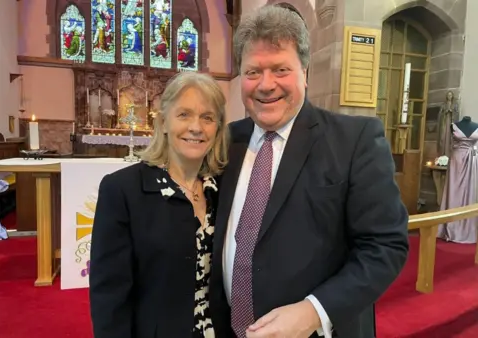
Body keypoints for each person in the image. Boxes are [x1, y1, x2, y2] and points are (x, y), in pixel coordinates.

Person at [209, 5, 409, 338]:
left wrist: (315, 311)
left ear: (305, 71)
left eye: (280, 69)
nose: (265, 84)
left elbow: (385, 246)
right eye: (253, 72)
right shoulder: (227, 141)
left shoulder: (355, 140)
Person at [89, 71, 229, 338]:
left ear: (217, 129)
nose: (196, 127)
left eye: (207, 117)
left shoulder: (222, 188)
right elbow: (109, 295)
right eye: (184, 114)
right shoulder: (122, 190)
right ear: (163, 122)